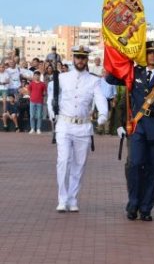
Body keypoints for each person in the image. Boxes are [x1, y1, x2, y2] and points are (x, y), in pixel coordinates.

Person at [105, 41, 154, 221]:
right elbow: (110, 78)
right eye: (149, 53)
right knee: (134, 165)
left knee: (153, 169)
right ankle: (133, 203)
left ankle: (146, 208)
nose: (152, 56)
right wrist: (120, 59)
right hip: (137, 126)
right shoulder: (134, 72)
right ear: (144, 55)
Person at [47, 45, 108, 213]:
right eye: (77, 57)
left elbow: (100, 98)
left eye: (83, 58)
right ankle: (62, 198)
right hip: (64, 125)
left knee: (79, 165)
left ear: (86, 60)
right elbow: (51, 98)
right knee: (63, 161)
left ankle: (73, 198)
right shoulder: (61, 78)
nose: (80, 60)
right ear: (73, 58)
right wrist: (53, 115)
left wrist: (103, 114)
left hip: (83, 126)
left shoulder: (94, 80)